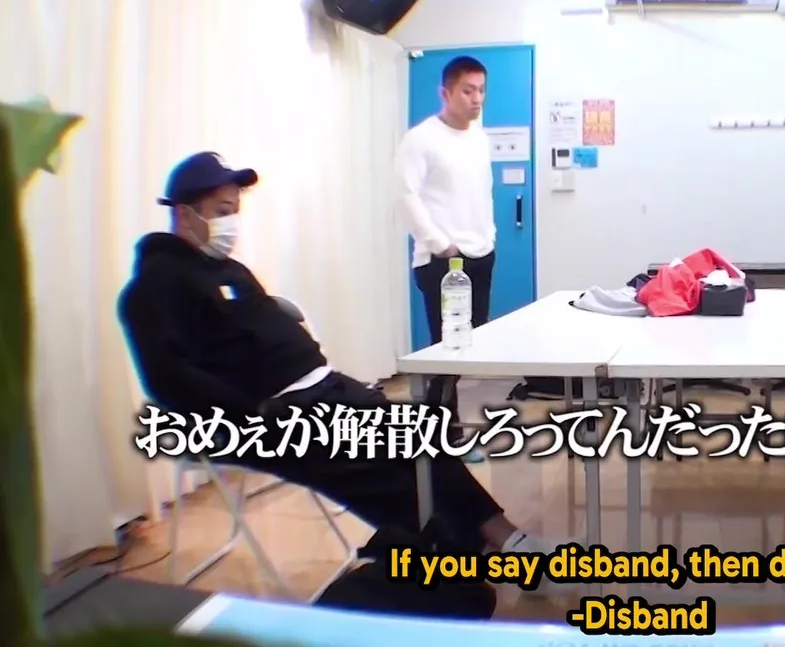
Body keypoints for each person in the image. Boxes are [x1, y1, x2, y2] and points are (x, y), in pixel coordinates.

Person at [119, 152, 561, 567]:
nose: (231, 222)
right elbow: (170, 379)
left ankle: (505, 537)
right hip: (269, 416)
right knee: (380, 464)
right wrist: (256, 414)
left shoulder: (228, 270)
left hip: (323, 389)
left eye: (234, 210)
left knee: (420, 432)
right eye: (221, 211)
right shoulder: (155, 286)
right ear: (185, 215)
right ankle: (470, 552)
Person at [397, 56, 496, 411]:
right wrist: (439, 244)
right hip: (444, 259)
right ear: (445, 93)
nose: (477, 98)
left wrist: (489, 237)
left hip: (481, 252)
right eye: (468, 91)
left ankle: (441, 422)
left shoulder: (479, 136)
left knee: (471, 339)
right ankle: (440, 429)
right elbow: (405, 195)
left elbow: (481, 191)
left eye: (481, 90)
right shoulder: (421, 139)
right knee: (446, 348)